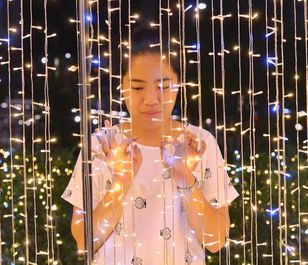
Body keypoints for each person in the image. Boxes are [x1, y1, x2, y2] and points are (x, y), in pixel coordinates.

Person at [61, 28, 239, 265]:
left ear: (179, 84)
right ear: (121, 86)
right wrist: (121, 182)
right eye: (137, 87)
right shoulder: (102, 145)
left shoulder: (198, 143)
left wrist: (185, 178)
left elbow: (216, 241)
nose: (151, 99)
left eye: (163, 86)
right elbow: (85, 241)